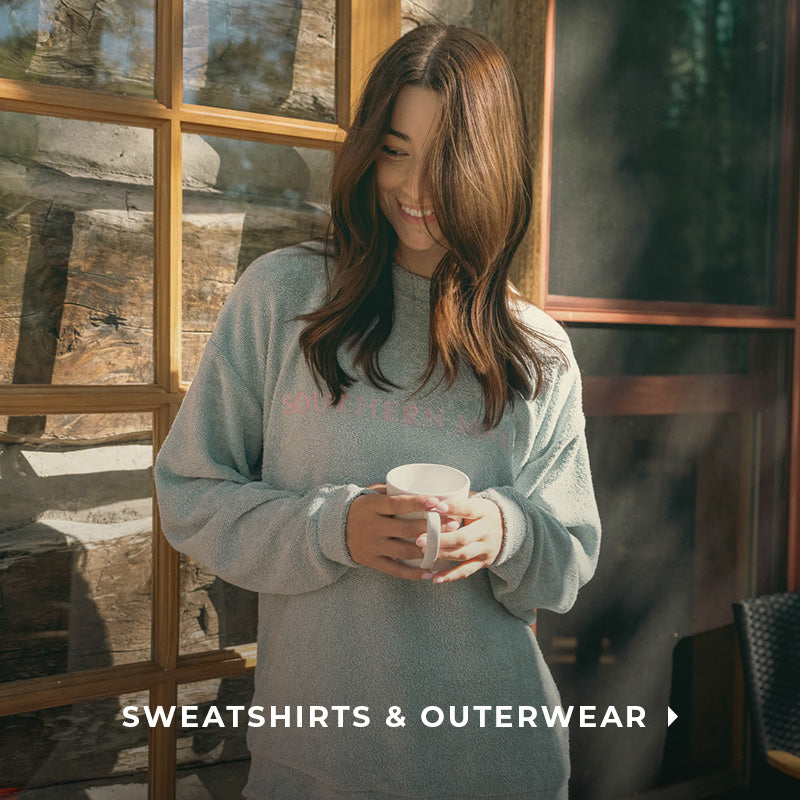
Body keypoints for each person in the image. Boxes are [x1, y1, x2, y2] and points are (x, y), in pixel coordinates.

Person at [154, 23, 601, 800]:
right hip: (315, 770)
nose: (415, 188)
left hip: (500, 767)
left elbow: (569, 561)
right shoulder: (285, 298)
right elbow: (190, 495)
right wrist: (334, 528)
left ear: (491, 167)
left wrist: (510, 530)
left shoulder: (537, 347)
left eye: (445, 160)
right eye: (395, 150)